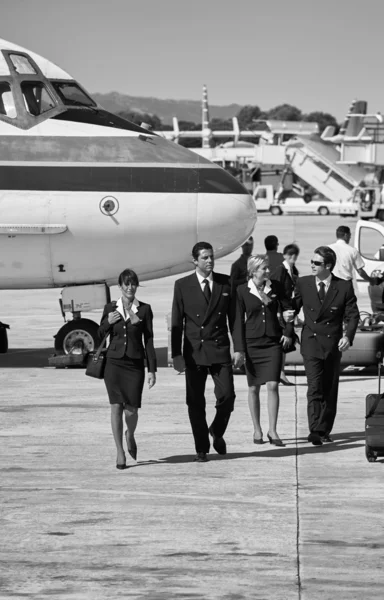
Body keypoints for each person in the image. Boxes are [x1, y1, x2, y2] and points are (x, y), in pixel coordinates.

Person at [287, 246, 359, 446]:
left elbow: (353, 315)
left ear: (328, 266)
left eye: (317, 263)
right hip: (311, 342)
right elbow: (293, 307)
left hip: (333, 344)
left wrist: (348, 337)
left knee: (329, 389)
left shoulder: (343, 286)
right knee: (314, 387)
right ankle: (315, 430)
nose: (312, 265)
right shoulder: (303, 283)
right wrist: (286, 314)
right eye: (311, 261)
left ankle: (325, 429)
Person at [171, 241, 235, 462]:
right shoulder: (182, 285)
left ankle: (216, 430)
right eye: (205, 258)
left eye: (211, 257)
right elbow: (177, 322)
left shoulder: (225, 283)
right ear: (195, 261)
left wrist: (240, 349)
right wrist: (176, 354)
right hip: (194, 350)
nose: (210, 261)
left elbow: (234, 320)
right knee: (195, 401)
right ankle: (201, 447)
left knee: (228, 396)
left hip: (219, 347)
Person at [98, 269, 157, 469]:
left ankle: (130, 434)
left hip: (134, 364)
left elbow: (149, 340)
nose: (130, 288)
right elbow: (99, 334)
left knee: (131, 410)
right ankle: (119, 451)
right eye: (126, 284)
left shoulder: (145, 309)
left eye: (133, 284)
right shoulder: (110, 308)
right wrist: (108, 321)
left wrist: (152, 369)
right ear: (120, 287)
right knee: (116, 406)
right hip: (113, 364)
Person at [233, 255, 293, 447]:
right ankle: (257, 428)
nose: (268, 272)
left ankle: (273, 430)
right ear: (253, 271)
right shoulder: (242, 291)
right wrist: (239, 349)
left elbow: (289, 310)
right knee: (253, 387)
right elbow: (237, 323)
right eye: (264, 269)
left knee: (273, 385)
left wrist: (289, 332)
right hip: (252, 343)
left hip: (273, 342)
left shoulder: (275, 286)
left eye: (268, 268)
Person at [271, 243, 300, 386]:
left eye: (294, 255)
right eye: (290, 255)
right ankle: (279, 372)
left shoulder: (292, 270)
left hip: (288, 311)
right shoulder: (280, 271)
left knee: (284, 342)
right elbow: (274, 291)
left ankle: (280, 372)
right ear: (285, 255)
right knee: (283, 341)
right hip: (281, 312)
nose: (292, 257)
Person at [329, 225, 378, 293]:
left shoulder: (327, 249)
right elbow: (360, 271)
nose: (350, 237)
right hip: (345, 284)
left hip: (330, 284)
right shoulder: (352, 251)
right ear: (346, 235)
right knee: (349, 303)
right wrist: (370, 280)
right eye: (350, 235)